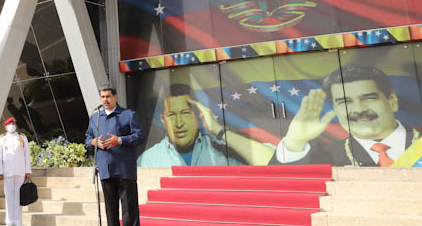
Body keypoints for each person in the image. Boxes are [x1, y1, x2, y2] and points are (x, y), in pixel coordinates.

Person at [273, 65, 421, 167]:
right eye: (345, 102)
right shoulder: (325, 156)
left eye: (369, 98)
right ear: (335, 110)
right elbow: (280, 192)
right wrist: (294, 141)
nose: (358, 109)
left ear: (392, 101)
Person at [138, 84, 274, 166]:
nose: (179, 123)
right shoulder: (149, 159)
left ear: (199, 115)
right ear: (163, 120)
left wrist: (219, 130)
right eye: (172, 115)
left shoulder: (223, 151)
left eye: (185, 113)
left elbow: (274, 161)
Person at [85, 85, 145, 226]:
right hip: (105, 169)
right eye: (102, 96)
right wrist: (95, 141)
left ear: (115, 97)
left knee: (129, 212)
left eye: (108, 96)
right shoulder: (96, 118)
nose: (105, 100)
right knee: (110, 211)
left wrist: (120, 140)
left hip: (125, 169)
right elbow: (88, 139)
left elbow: (140, 137)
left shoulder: (128, 115)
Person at [0, 116, 31, 226]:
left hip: (20, 170)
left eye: (13, 124)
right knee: (9, 197)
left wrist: (28, 171)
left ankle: (18, 221)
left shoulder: (22, 138)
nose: (11, 126)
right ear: (5, 126)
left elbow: (27, 155)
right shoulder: (1, 139)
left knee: (19, 197)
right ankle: (9, 221)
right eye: (9, 124)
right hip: (7, 171)